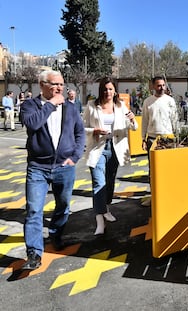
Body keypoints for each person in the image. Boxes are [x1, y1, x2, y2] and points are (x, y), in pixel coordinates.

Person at [19, 70, 85, 270]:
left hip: (64, 167)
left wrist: (74, 157)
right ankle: (34, 253)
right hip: (38, 167)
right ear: (42, 85)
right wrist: (50, 105)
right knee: (34, 209)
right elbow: (32, 124)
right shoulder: (29, 106)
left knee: (63, 205)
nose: (60, 88)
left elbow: (80, 132)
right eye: (55, 84)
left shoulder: (71, 108)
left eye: (62, 84)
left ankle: (55, 233)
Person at [83, 77, 138, 235]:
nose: (108, 92)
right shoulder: (92, 106)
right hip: (97, 148)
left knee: (109, 181)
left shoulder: (121, 106)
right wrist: (95, 131)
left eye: (110, 89)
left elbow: (133, 127)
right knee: (99, 183)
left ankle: (106, 208)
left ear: (115, 91)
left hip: (115, 148)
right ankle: (100, 220)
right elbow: (82, 127)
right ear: (101, 90)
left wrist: (133, 120)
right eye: (105, 89)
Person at [141, 76, 177, 206]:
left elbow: (175, 120)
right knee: (153, 170)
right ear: (153, 86)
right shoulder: (147, 102)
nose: (161, 88)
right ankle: (154, 197)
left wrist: (176, 137)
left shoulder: (170, 101)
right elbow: (144, 121)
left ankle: (169, 196)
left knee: (168, 169)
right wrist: (143, 139)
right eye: (158, 85)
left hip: (168, 139)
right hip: (152, 139)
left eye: (163, 85)